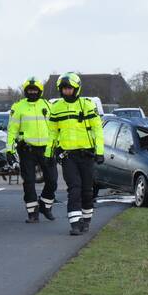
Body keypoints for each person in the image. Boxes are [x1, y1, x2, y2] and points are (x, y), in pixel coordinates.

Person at [47, 73, 104, 236]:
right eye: (64, 89)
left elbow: (97, 130)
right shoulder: (56, 108)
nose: (66, 91)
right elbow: (52, 132)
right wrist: (48, 153)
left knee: (87, 190)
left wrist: (100, 152)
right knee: (74, 189)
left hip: (87, 155)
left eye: (69, 88)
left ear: (76, 89)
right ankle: (75, 223)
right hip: (68, 156)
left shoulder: (87, 105)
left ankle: (86, 220)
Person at [6, 76, 56, 222]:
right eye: (30, 90)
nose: (32, 92)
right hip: (27, 150)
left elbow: (55, 128)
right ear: (25, 91)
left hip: (47, 149)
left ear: (40, 91)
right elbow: (12, 130)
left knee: (52, 181)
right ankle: (33, 213)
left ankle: (45, 205)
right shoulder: (18, 107)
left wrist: (58, 146)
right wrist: (9, 150)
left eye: (35, 90)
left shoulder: (48, 105)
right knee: (29, 182)